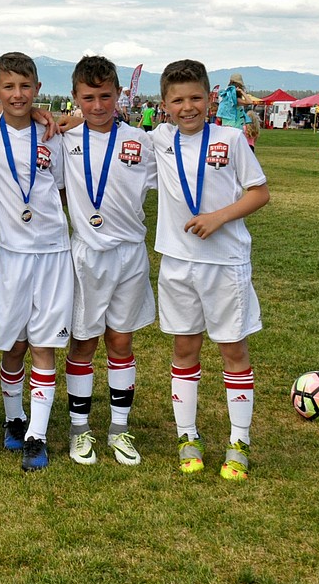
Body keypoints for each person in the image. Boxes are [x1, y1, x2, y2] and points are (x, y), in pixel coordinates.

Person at [150, 59, 269, 481]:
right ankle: (188, 436)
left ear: (210, 98)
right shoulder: (158, 140)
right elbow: (102, 128)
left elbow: (259, 193)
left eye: (196, 97)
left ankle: (239, 441)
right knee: (185, 350)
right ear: (164, 104)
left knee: (233, 351)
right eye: (178, 100)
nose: (187, 107)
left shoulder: (232, 139)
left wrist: (219, 217)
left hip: (225, 264)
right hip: (178, 264)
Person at [61, 56, 157, 468]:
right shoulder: (63, 139)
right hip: (86, 255)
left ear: (119, 94)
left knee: (121, 340)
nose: (97, 106)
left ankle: (120, 427)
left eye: (105, 96)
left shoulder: (142, 141)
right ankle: (79, 429)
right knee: (83, 341)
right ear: (75, 99)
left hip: (130, 254)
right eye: (88, 98)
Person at [0, 52, 72, 471]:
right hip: (11, 255)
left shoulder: (53, 136)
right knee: (15, 344)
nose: (18, 94)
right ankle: (14, 418)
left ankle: (36, 434)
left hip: (53, 252)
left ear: (37, 90)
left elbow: (66, 190)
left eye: (25, 87)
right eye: (9, 87)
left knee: (45, 343)